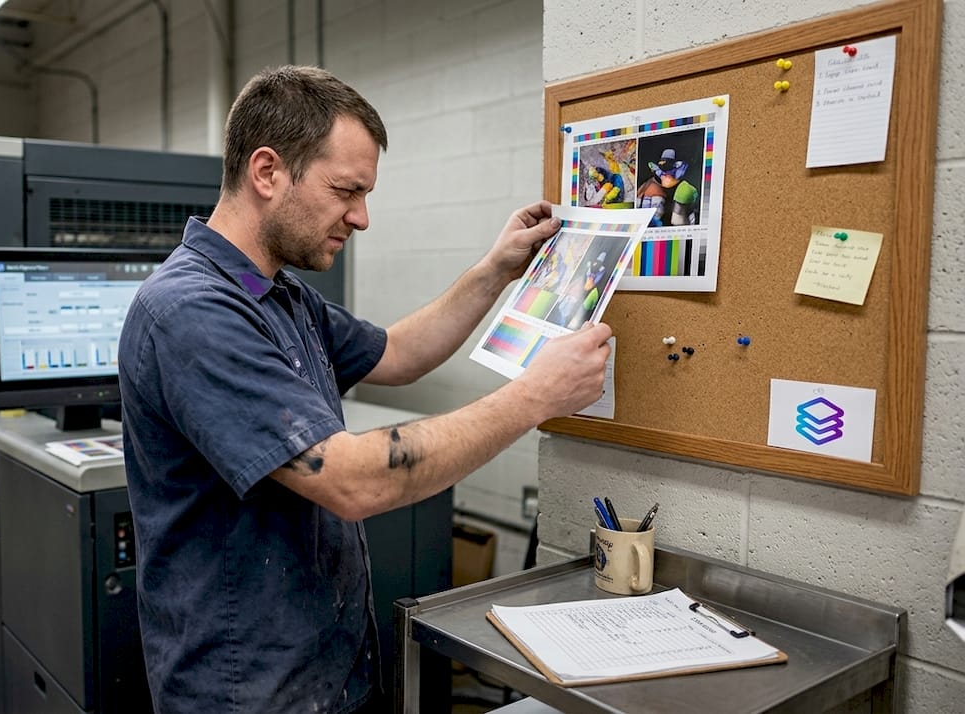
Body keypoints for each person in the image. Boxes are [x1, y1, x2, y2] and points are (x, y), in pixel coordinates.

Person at [118, 65, 612, 714]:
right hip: (248, 692)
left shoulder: (282, 297)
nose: (362, 217)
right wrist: (534, 397)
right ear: (266, 173)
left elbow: (399, 352)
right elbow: (354, 482)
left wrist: (495, 271)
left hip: (330, 672)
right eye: (346, 190)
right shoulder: (190, 312)